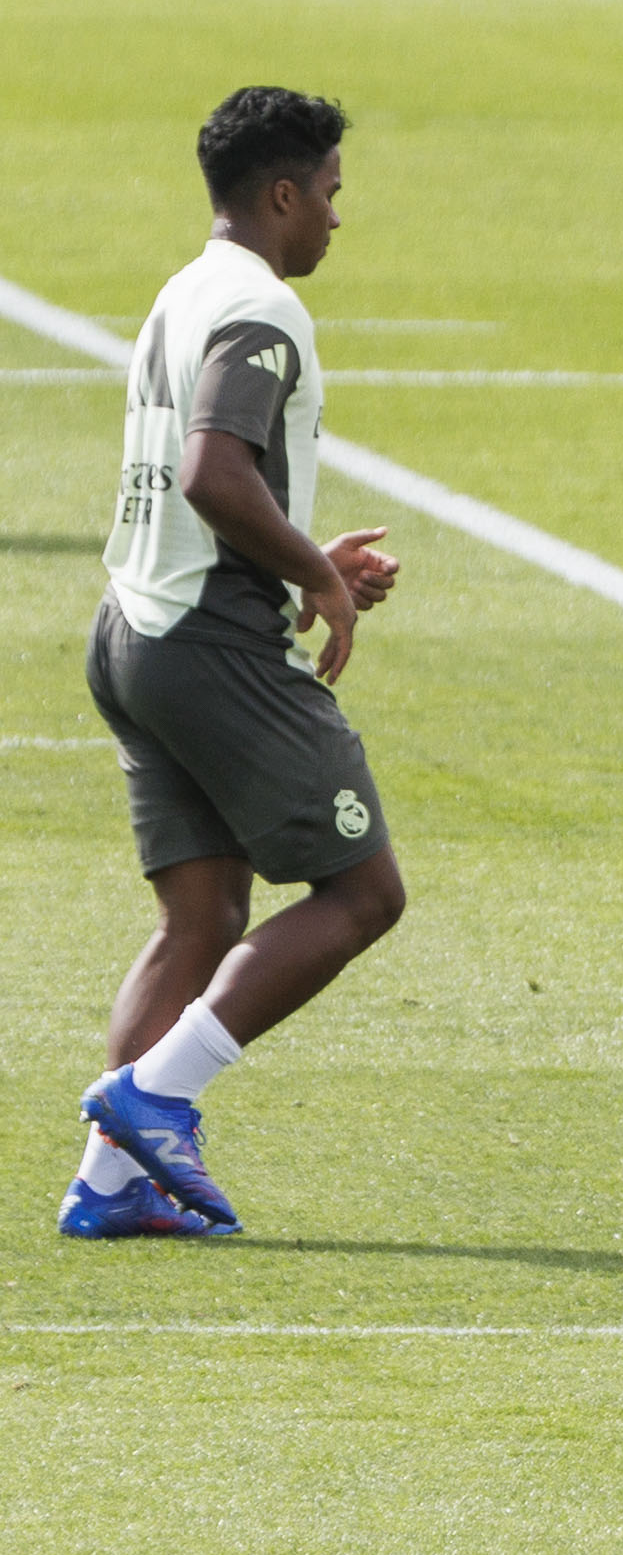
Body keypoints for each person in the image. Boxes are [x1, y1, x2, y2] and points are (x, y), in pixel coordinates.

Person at [59, 87, 406, 1239]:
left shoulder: (184, 290)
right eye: (331, 194)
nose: (337, 219)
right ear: (282, 193)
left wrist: (302, 552)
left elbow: (192, 479)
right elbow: (214, 471)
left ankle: (111, 1183)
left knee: (200, 916)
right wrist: (315, 577)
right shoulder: (262, 307)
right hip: (206, 641)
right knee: (363, 891)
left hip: (132, 626)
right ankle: (157, 1095)